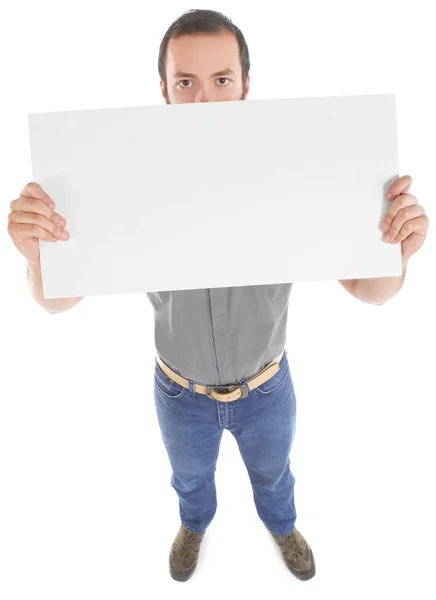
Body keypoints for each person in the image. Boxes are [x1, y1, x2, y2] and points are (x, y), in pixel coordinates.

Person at [7, 9, 429, 584]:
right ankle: (195, 524)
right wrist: (40, 259)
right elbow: (57, 302)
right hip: (178, 391)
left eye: (222, 80)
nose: (204, 100)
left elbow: (370, 290)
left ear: (247, 87)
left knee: (274, 474)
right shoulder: (127, 180)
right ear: (164, 92)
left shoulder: (294, 174)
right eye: (186, 83)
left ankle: (282, 527)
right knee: (189, 479)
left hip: (267, 387)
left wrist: (397, 250)